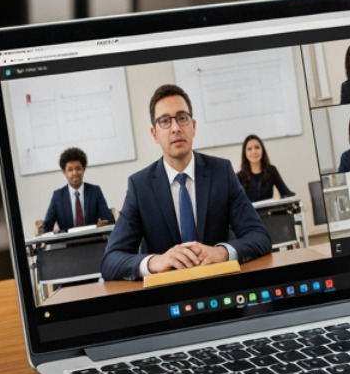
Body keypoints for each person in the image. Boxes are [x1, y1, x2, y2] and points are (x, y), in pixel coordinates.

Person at [101, 85, 272, 281]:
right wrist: (154, 262)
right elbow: (110, 261)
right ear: (154, 133)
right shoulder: (140, 186)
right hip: (167, 296)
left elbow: (260, 236)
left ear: (194, 126)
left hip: (220, 287)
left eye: (182, 118)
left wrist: (223, 252)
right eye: (165, 121)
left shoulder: (221, 172)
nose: (175, 128)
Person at [39, 147, 110, 233]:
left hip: (92, 240)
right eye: (70, 169)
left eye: (78, 168)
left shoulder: (95, 191)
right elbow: (47, 226)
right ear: (64, 172)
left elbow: (109, 220)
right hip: (68, 243)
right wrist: (41, 230)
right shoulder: (57, 196)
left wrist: (104, 224)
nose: (75, 173)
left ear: (83, 170)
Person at [237, 134, 295, 202]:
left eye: (257, 147)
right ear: (245, 153)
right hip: (249, 212)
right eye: (249, 149)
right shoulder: (239, 176)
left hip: (268, 211)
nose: (254, 151)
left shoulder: (272, 170)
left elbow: (286, 193)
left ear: (262, 150)